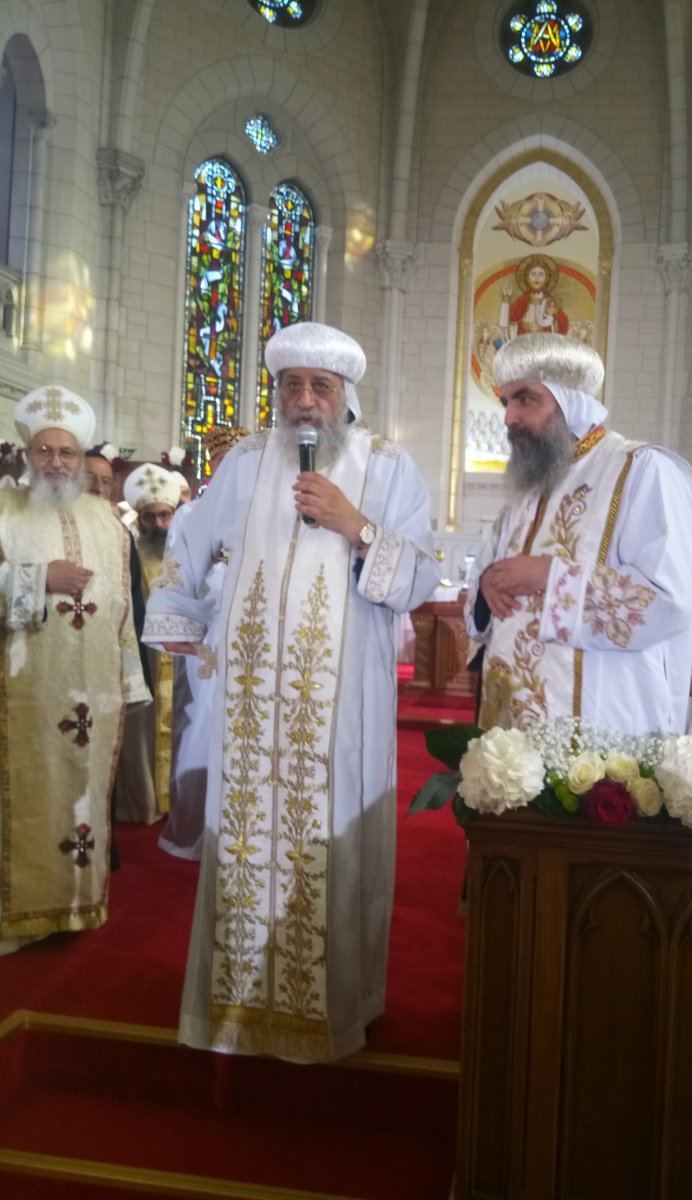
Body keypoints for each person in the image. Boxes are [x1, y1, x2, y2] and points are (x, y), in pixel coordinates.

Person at [143, 321, 440, 1063]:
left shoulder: (389, 466)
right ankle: (237, 1008)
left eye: (321, 387)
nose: (305, 401)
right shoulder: (245, 462)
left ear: (346, 399)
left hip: (341, 708)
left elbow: (421, 577)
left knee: (328, 849)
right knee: (247, 842)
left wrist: (355, 524)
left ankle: (338, 1009)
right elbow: (189, 540)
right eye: (292, 386)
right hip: (249, 705)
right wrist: (182, 615)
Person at [466, 333, 692, 736]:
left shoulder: (642, 470)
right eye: (506, 402)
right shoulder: (530, 486)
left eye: (525, 398)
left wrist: (548, 576)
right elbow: (492, 584)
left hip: (603, 724)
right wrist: (489, 583)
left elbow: (671, 603)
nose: (508, 418)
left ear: (571, 400)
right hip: (511, 728)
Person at [0, 385, 149, 954]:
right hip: (24, 692)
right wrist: (40, 582)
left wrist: (131, 681)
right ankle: (20, 915)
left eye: (66, 452)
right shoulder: (5, 512)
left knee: (83, 801)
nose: (56, 463)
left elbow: (124, 611)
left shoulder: (109, 522)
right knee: (28, 798)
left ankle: (75, 906)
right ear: (26, 454)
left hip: (93, 700)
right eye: (45, 452)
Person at [160, 424, 252, 862]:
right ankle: (194, 822)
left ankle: (239, 827)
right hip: (203, 633)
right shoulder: (189, 514)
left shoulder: (263, 513)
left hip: (247, 635)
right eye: (223, 465)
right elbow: (176, 576)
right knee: (198, 722)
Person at [115, 463, 181, 823]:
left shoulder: (185, 549)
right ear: (138, 517)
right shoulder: (128, 552)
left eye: (165, 515)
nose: (159, 524)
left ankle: (178, 797)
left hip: (183, 658)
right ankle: (143, 802)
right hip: (145, 657)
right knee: (144, 732)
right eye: (151, 517)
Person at [499, 253, 570, 338]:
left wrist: (553, 319)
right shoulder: (522, 302)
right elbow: (505, 323)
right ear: (527, 279)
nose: (537, 278)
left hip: (544, 343)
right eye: (533, 274)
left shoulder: (551, 302)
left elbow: (563, 325)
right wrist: (506, 299)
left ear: (546, 279)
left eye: (541, 275)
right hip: (524, 342)